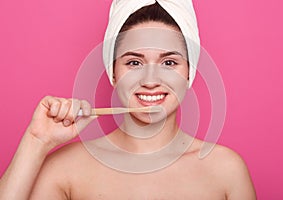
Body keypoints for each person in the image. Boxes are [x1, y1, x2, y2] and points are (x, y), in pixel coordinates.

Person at [0, 1, 256, 199]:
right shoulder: (64, 169)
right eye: (134, 62)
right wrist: (35, 142)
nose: (151, 79)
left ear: (189, 72)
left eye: (169, 62)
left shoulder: (227, 170)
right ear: (113, 72)